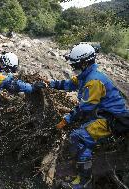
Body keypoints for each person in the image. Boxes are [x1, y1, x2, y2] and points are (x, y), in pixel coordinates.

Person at [49, 43, 129, 189]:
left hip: (112, 119)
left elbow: (84, 108)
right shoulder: (86, 74)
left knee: (78, 136)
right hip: (101, 113)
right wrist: (49, 84)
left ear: (85, 62)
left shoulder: (94, 81)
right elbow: (68, 84)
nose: (74, 67)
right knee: (81, 131)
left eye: (76, 64)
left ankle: (84, 180)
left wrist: (65, 120)